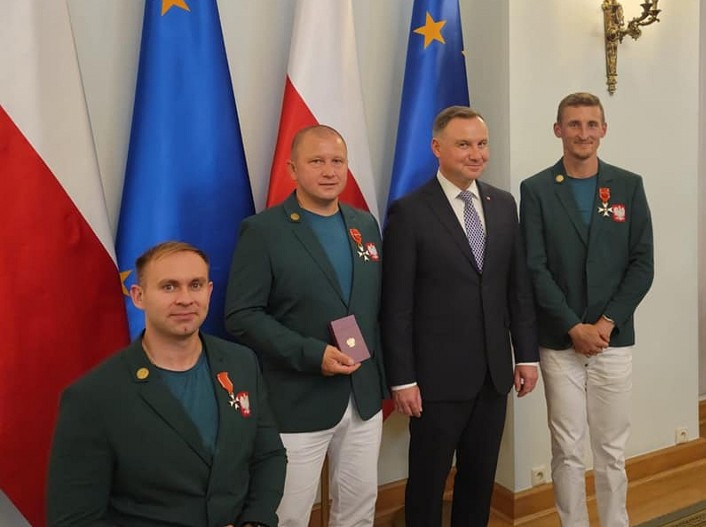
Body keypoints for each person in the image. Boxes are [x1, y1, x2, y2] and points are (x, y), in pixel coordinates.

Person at [47, 241, 286, 527]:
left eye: (195, 285)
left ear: (209, 291)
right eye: (169, 287)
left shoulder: (241, 363)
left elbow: (268, 455)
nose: (185, 299)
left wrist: (255, 522)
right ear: (138, 296)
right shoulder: (92, 397)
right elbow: (76, 520)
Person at [381, 106, 539, 527]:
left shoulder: (503, 204)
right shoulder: (410, 212)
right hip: (434, 381)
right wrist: (403, 378)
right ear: (437, 148)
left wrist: (526, 356)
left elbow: (516, 288)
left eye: (482, 144)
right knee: (429, 482)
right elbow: (397, 305)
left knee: (480, 479)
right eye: (464, 144)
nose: (476, 153)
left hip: (493, 375)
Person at [225, 125, 385, 527]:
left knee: (359, 508)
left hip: (363, 396)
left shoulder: (364, 225)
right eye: (317, 161)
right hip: (297, 400)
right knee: (289, 515)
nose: (329, 171)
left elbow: (371, 308)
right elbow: (241, 316)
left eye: (337, 161)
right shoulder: (263, 231)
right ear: (292, 169)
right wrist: (312, 354)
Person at [519, 92, 654, 527]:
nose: (583, 133)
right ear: (558, 130)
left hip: (612, 341)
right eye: (573, 124)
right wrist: (573, 326)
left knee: (612, 450)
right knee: (567, 448)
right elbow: (534, 267)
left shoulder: (628, 185)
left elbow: (642, 264)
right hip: (560, 344)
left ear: (604, 129)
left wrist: (605, 323)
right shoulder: (536, 189)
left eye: (591, 124)